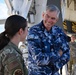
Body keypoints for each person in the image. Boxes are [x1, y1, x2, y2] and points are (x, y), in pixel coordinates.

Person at [27, 5, 70, 75]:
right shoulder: (34, 31)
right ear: (43, 15)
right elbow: (39, 59)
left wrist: (55, 66)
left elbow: (67, 54)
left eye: (53, 18)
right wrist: (58, 54)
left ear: (56, 20)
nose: (49, 20)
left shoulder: (58, 31)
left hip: (54, 72)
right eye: (47, 16)